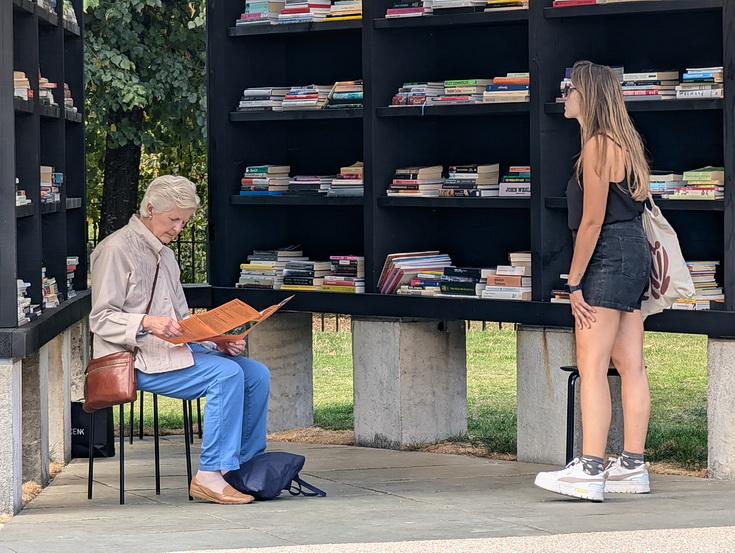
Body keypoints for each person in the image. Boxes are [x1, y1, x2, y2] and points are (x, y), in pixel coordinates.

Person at [89, 175, 270, 505]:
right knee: (227, 375)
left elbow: (183, 324)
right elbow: (100, 319)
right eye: (173, 219)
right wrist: (147, 321)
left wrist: (218, 340)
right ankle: (210, 475)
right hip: (135, 360)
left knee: (257, 374)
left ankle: (241, 470)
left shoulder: (166, 256)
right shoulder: (115, 250)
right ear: (149, 208)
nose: (178, 229)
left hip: (173, 353)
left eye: (184, 222)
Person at [534, 61, 652, 502]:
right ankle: (632, 467)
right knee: (631, 365)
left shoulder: (600, 145)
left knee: (592, 366)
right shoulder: (625, 142)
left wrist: (574, 283)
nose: (564, 94)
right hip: (633, 254)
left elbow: (591, 222)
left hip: (608, 256)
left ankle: (589, 470)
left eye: (570, 88)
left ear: (589, 95)